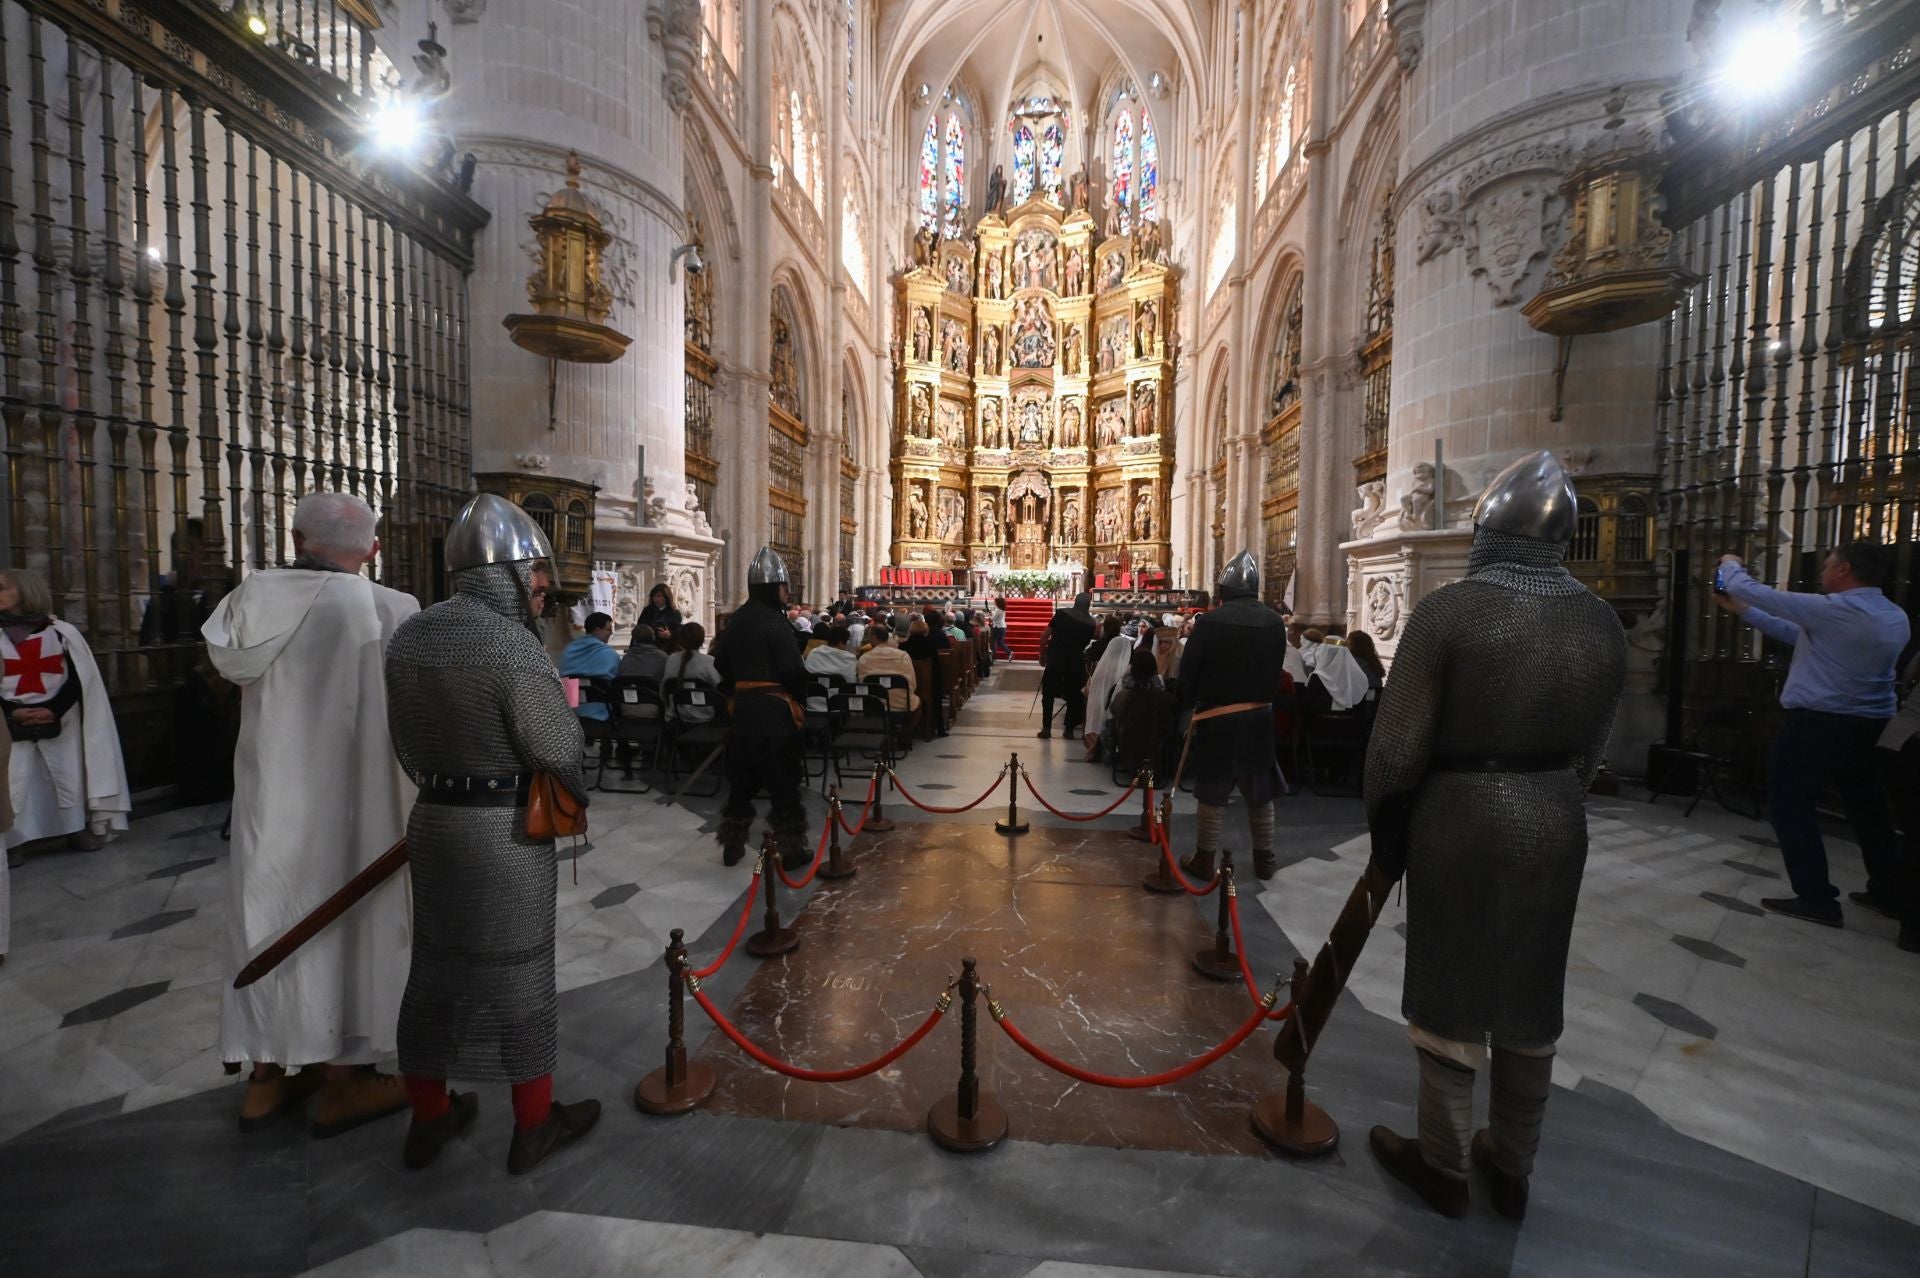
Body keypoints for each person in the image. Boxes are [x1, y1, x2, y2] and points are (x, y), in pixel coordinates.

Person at [1363, 451, 1625, 1221]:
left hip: (1460, 815)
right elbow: (1594, 753)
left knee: (1450, 989)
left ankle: (1443, 1164)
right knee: (1529, 989)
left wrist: (1386, 823)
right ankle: (1511, 1165)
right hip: (1555, 817)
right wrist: (1552, 799)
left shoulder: (1451, 611)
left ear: (1487, 528)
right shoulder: (1601, 620)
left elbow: (1393, 748)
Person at [384, 493, 599, 1176]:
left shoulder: (410, 635)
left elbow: (405, 745)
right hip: (503, 833)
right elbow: (554, 747)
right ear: (503, 574)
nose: (541, 587)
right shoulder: (513, 648)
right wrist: (575, 764)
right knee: (519, 979)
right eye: (534, 573)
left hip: (435, 821)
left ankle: (430, 1117)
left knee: (435, 974)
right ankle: (534, 1129)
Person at [201, 493, 417, 1137]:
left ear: (296, 537)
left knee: (271, 918)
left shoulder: (248, 601)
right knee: (356, 925)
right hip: (361, 805)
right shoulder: (392, 609)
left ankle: (267, 1080)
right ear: (374, 550)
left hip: (274, 803)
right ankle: (346, 1080)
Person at [1713, 541, 1909, 927]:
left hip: (1818, 724)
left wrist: (1730, 564)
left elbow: (1757, 591)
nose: (1822, 571)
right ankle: (1888, 891)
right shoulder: (1894, 615)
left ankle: (1816, 897)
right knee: (1868, 810)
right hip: (1869, 726)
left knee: (1790, 805)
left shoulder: (1836, 609)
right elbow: (1796, 633)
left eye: (1828, 564)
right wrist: (1742, 612)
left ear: (1845, 569)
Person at [1, 568, 131, 858]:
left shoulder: (61, 634)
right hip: (10, 721)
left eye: (2, 588)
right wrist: (14, 711)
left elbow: (79, 681)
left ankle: (74, 827)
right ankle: (14, 841)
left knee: (68, 775)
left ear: (24, 591)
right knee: (15, 780)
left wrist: (53, 709)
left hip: (62, 718)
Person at [1174, 552, 1288, 881]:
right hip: (1259, 718)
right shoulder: (1274, 622)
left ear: (1224, 589)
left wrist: (1188, 703)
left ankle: (1204, 859)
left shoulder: (1209, 622)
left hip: (1218, 719)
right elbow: (1275, 672)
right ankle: (1265, 859)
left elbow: (1189, 671)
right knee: (1260, 790)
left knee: (1213, 789)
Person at [712, 547, 812, 870]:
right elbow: (792, 671)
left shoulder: (736, 620)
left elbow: (720, 662)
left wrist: (737, 690)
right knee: (784, 786)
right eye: (784, 586)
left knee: (741, 784)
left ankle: (732, 844)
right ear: (772, 587)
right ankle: (793, 850)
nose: (787, 592)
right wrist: (803, 696)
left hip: (743, 715)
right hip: (774, 719)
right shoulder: (776, 623)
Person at [1876, 648, 1920, 953]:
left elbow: (1908, 675)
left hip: (1898, 742)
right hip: (1912, 745)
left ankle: (1895, 899)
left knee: (1913, 835)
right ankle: (1913, 925)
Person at [1110, 647, 1176, 782]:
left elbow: (1114, 711)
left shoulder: (1124, 695)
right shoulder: (1163, 697)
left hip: (1127, 744)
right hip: (1156, 744)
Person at [1038, 592, 1096, 739]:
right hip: (1075, 662)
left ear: (1075, 602)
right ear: (1088, 605)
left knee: (1049, 694)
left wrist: (1042, 654)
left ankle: (1046, 728)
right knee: (1073, 696)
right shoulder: (1091, 623)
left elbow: (1045, 635)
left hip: (1056, 658)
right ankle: (1069, 729)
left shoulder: (1061, 614)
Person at [559, 612, 621, 723]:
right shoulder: (610, 654)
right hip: (602, 714)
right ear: (597, 630)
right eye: (608, 629)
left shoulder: (568, 650)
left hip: (571, 713)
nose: (611, 632)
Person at [1081, 633, 1133, 762]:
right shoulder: (1127, 669)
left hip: (1096, 705)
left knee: (1095, 724)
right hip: (1113, 706)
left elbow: (1089, 687)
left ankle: (1092, 750)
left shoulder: (1101, 666)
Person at [663, 622, 721, 723]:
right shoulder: (709, 661)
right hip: (705, 714)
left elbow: (663, 690)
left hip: (676, 713)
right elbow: (719, 689)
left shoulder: (671, 659)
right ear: (702, 640)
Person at [856, 623, 919, 713]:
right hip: (903, 703)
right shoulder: (903, 656)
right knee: (916, 704)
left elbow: (861, 683)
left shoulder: (864, 659)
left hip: (874, 703)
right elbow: (913, 684)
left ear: (873, 638)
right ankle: (905, 727)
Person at [902, 617, 949, 737]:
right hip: (929, 687)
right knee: (936, 692)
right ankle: (940, 728)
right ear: (925, 631)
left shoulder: (903, 646)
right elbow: (937, 669)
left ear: (911, 631)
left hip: (908, 687)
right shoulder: (931, 646)